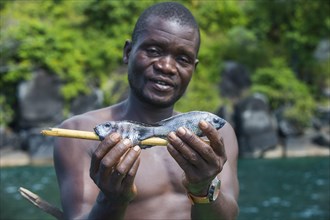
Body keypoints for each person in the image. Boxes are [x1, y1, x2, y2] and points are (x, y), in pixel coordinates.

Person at [54, 2, 239, 219]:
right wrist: (112, 200)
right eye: (153, 50)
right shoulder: (79, 133)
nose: (167, 67)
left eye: (183, 59)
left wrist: (203, 189)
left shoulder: (215, 135)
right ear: (128, 52)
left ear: (193, 69)